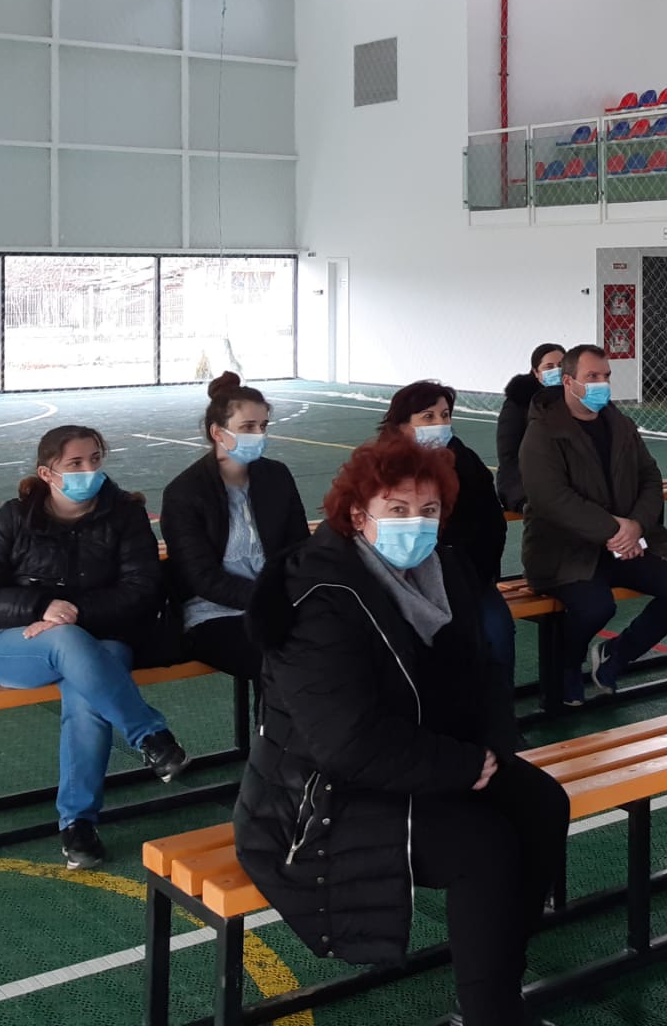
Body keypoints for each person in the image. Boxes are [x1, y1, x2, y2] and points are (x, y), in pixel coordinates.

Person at [236, 436, 569, 1026]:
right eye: (397, 509)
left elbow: (484, 673)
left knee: (543, 804)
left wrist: (489, 748)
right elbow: (345, 743)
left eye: (429, 509)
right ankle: (490, 1013)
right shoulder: (317, 595)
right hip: (320, 798)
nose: (415, 523)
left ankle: (500, 972)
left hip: (416, 758)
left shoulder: (444, 570)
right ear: (357, 515)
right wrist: (462, 766)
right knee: (483, 846)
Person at [0, 426, 189, 869]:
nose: (89, 469)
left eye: (95, 459)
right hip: (16, 645)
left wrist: (71, 613)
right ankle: (149, 735)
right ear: (47, 473)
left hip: (103, 639)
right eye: (75, 463)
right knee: (67, 642)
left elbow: (142, 589)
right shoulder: (15, 517)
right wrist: (40, 608)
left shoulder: (124, 514)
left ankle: (78, 825)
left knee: (86, 690)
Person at [519, 343, 667, 700]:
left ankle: (616, 655)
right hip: (564, 553)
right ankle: (566, 666)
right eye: (592, 376)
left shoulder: (620, 425)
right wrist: (616, 530)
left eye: (605, 376)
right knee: (596, 608)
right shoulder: (543, 433)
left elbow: (650, 477)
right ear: (569, 381)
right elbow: (552, 499)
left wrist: (636, 526)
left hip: (625, 544)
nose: (601, 384)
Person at [381, 381, 516, 743]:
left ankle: (501, 727)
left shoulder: (465, 461)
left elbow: (492, 525)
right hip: (407, 583)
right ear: (402, 425)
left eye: (444, 415)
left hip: (470, 577)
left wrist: (474, 577)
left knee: (498, 635)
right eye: (427, 417)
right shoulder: (383, 468)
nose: (439, 424)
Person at [160, 374, 311, 680]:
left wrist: (289, 594)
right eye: (248, 427)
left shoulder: (277, 476)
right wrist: (269, 599)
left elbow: (298, 546)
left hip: (279, 602)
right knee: (280, 663)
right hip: (213, 612)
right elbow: (202, 578)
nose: (259, 434)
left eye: (263, 426)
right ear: (218, 432)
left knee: (339, 647)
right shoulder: (185, 493)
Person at [496, 342, 565, 514]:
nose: (557, 371)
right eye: (549, 367)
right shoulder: (518, 402)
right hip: (521, 480)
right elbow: (509, 455)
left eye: (561, 365)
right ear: (536, 372)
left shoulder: (574, 400)